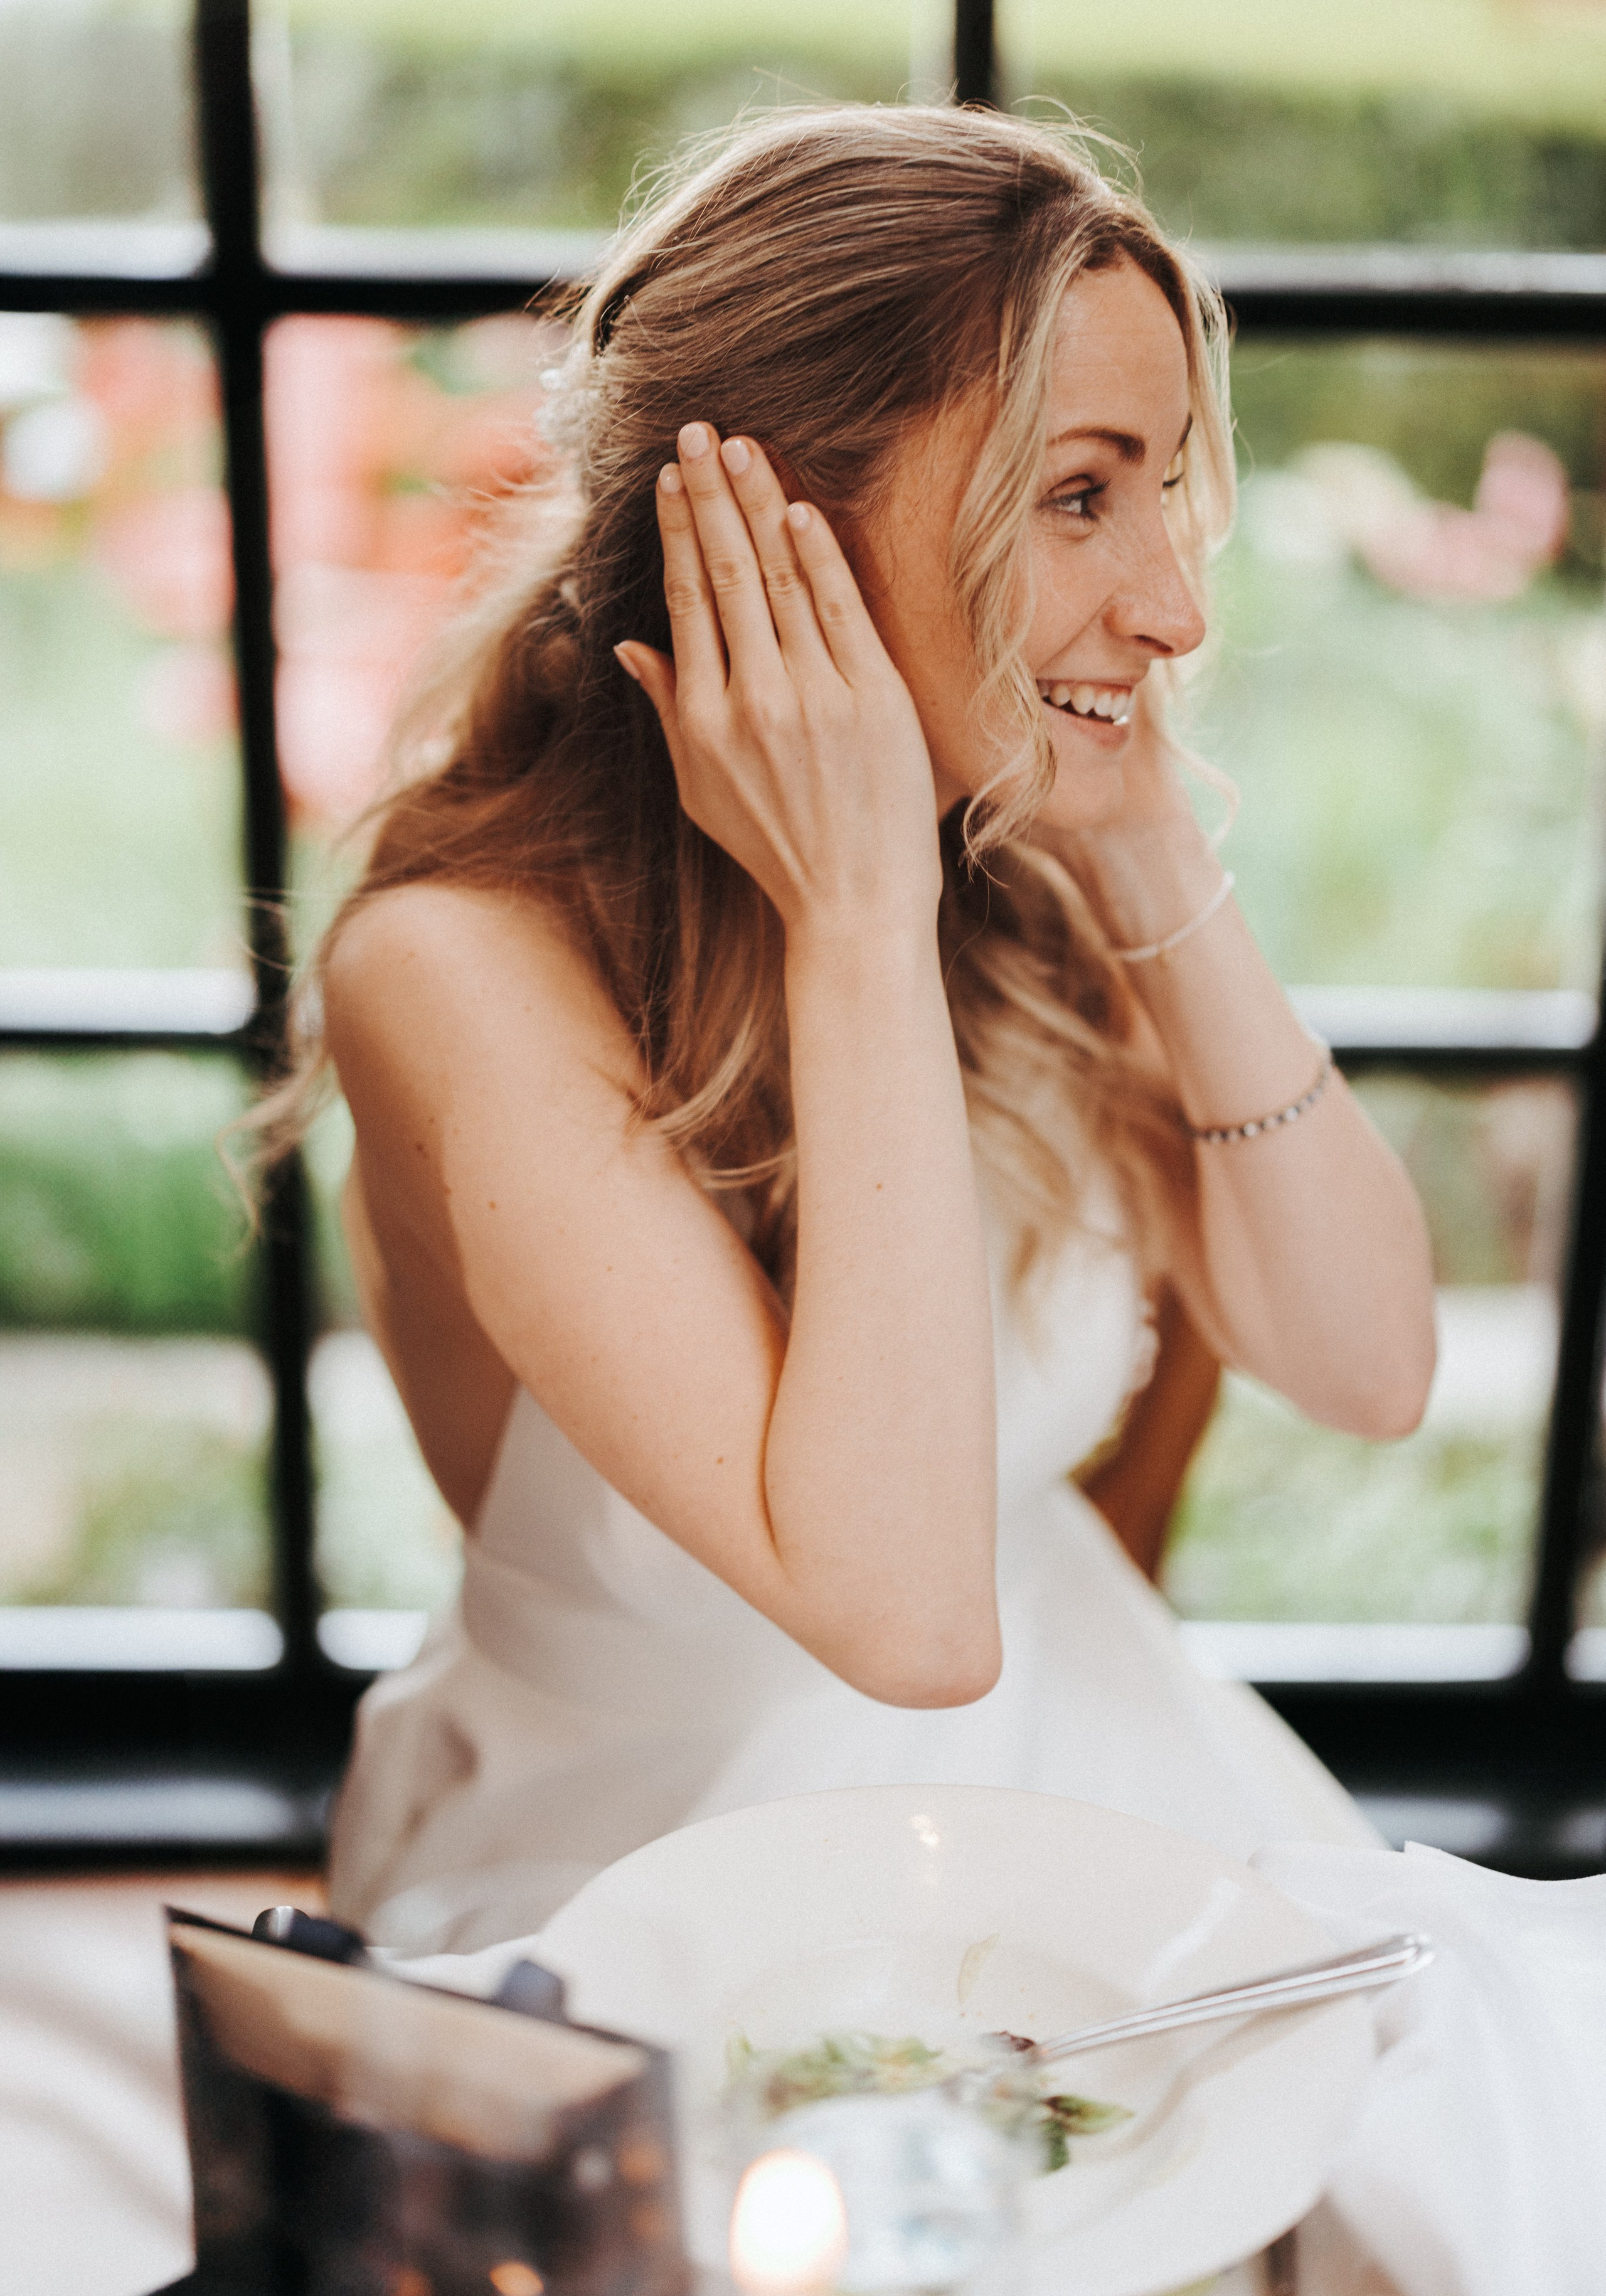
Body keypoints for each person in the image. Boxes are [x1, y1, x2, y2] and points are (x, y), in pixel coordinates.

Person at [270, 105, 1437, 1955]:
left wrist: (1136, 837)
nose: (1174, 604)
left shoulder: (1029, 853)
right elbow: (902, 1623)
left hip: (1087, 1772)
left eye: (1164, 491)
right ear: (775, 534)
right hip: (642, 1873)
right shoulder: (452, 972)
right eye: (1079, 495)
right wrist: (861, 914)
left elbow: (1370, 1368)